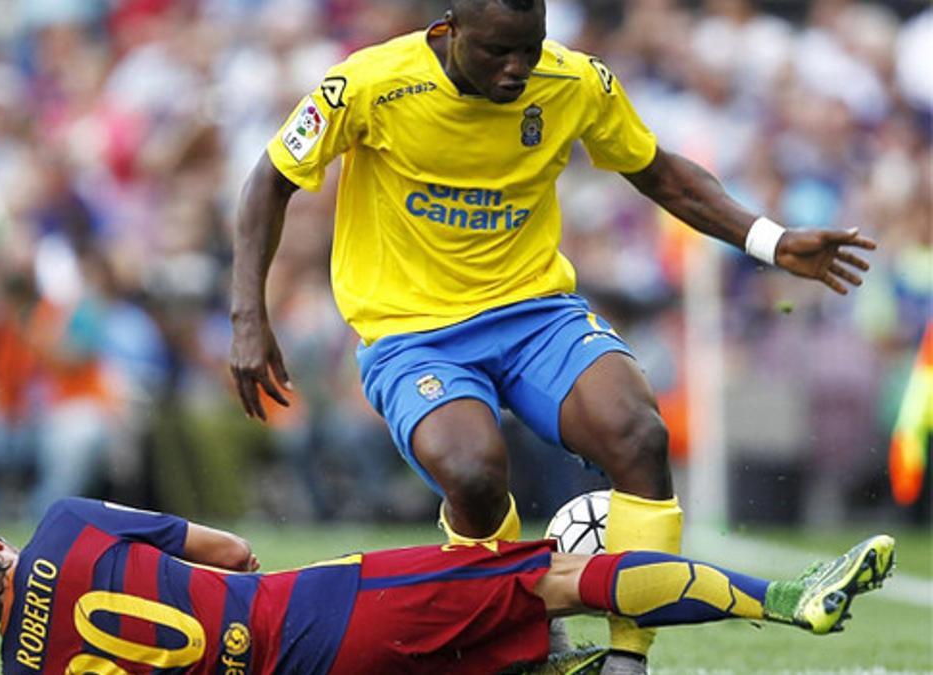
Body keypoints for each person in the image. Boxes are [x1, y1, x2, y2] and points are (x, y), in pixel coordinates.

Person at [227, 1, 877, 671]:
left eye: (529, 49)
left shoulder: (573, 82)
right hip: (413, 333)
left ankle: (628, 659)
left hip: (535, 314)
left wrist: (769, 239)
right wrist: (249, 315)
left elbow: (657, 170)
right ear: (449, 31)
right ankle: (514, 643)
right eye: (497, 52)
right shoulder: (367, 85)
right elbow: (267, 181)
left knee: (638, 433)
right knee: (475, 473)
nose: (517, 69)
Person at [0, 496, 895, 675]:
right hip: (312, 616)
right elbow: (230, 554)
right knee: (558, 580)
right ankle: (786, 597)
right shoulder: (64, 530)